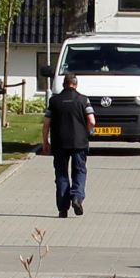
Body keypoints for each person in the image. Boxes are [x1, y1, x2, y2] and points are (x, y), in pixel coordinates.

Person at [46, 76, 96, 218]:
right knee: (79, 171)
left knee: (61, 174)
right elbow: (92, 121)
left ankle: (63, 209)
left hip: (59, 143)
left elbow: (46, 123)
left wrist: (45, 141)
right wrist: (87, 132)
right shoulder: (83, 100)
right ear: (76, 84)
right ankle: (77, 197)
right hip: (79, 142)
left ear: (64, 84)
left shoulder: (54, 101)